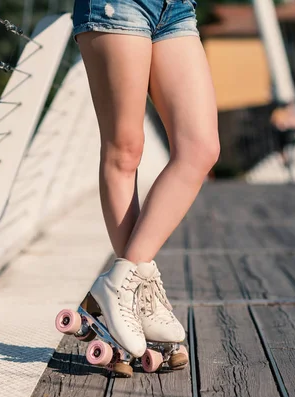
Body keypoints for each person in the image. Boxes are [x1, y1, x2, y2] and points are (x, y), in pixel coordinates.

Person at [69, 0, 219, 371]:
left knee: (200, 148)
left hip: (176, 8)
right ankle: (137, 294)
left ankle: (123, 285)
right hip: (117, 5)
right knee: (125, 149)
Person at [270, 101, 295, 172]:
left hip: (289, 134)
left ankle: (289, 159)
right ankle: (286, 160)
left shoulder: (292, 114)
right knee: (281, 146)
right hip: (283, 134)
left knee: (288, 143)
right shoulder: (280, 113)